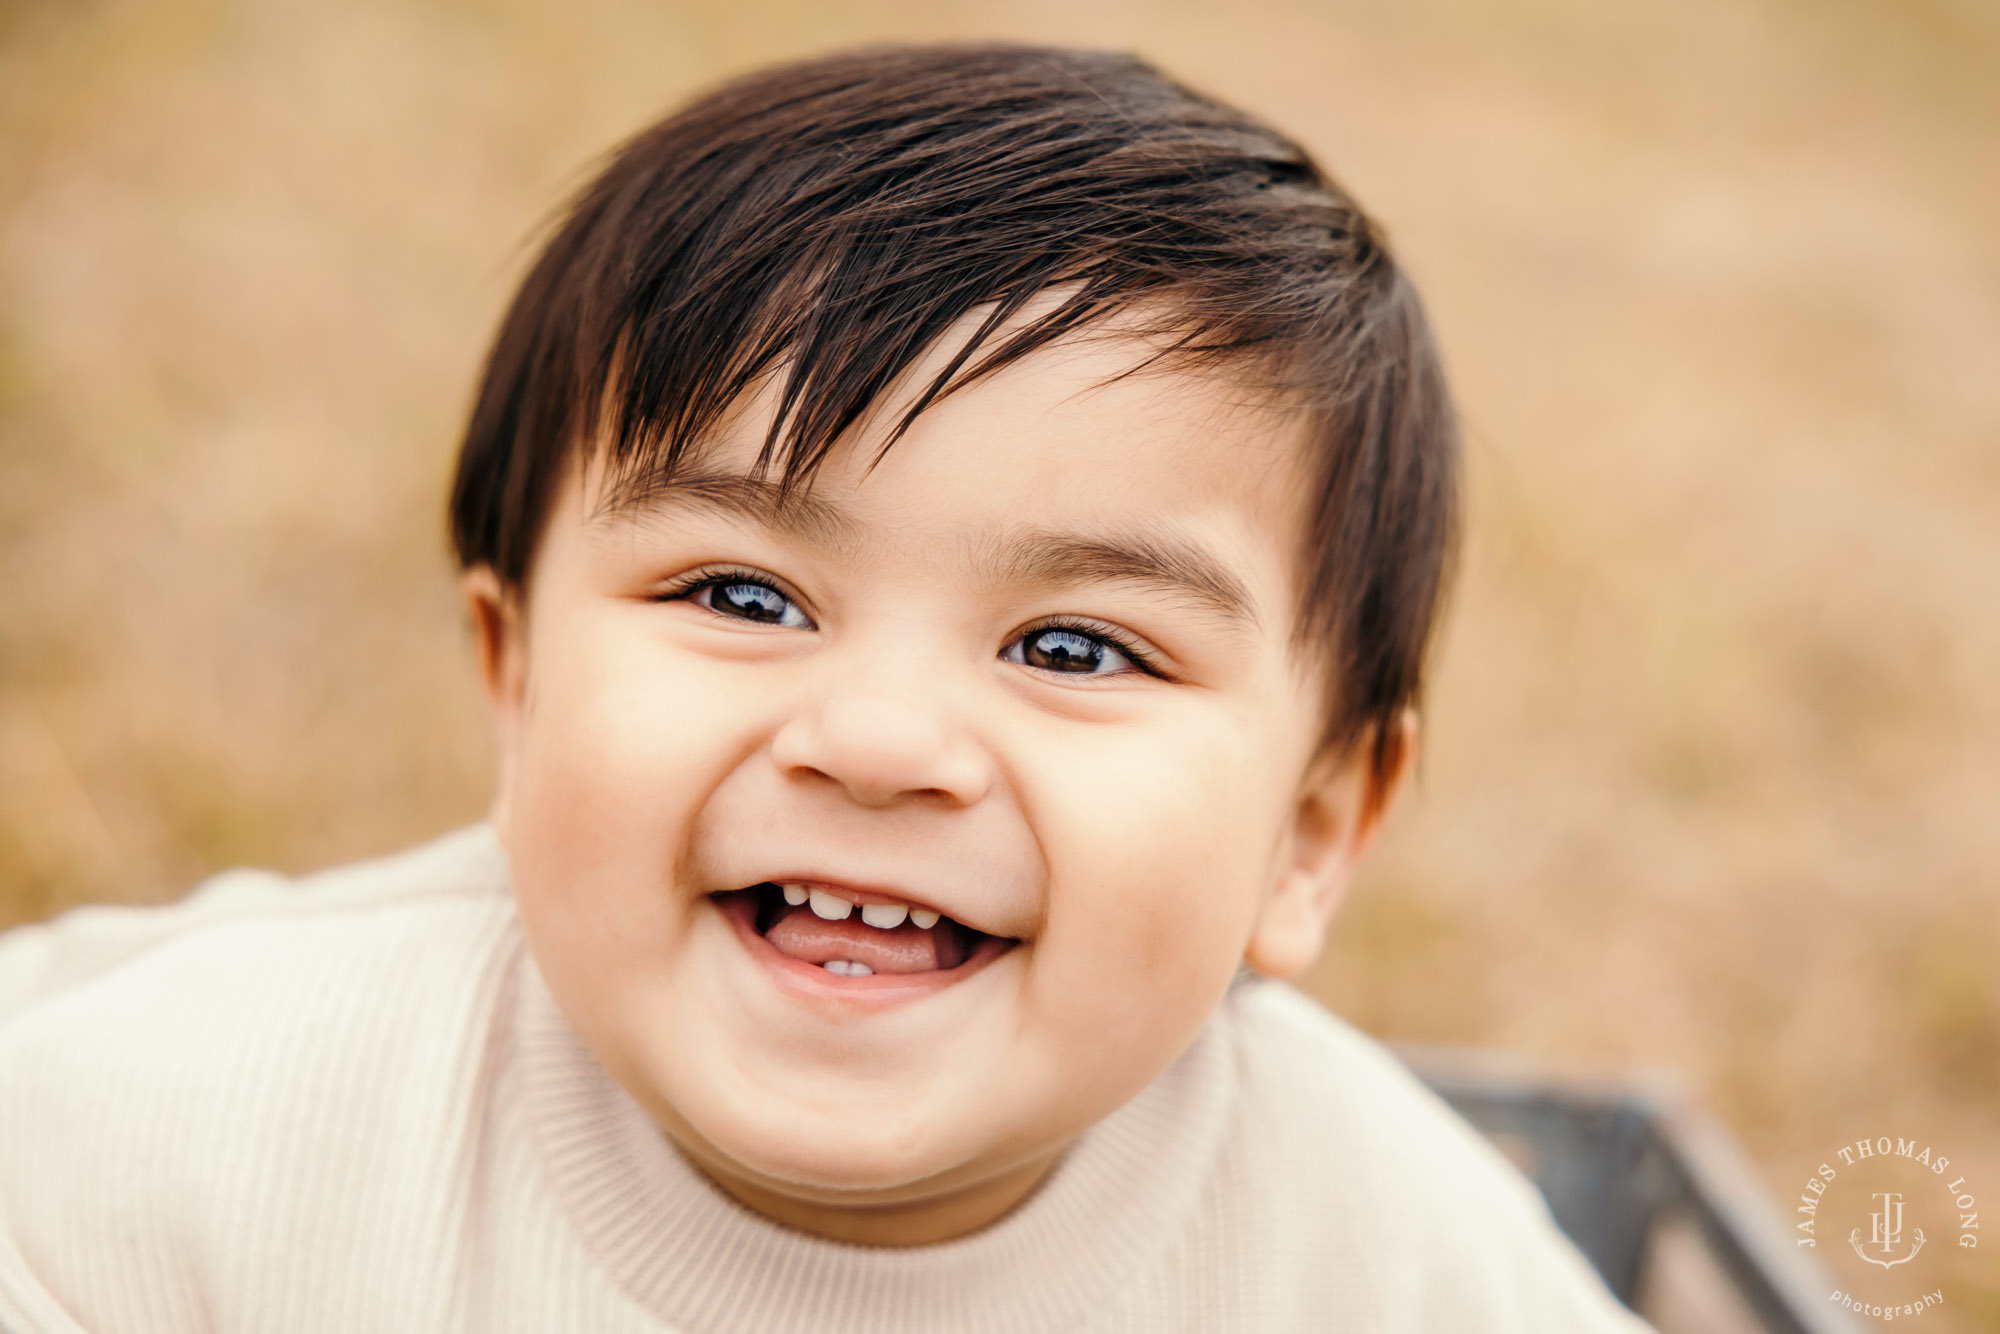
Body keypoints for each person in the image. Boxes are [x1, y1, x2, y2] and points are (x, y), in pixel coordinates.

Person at [0, 42, 1657, 1333]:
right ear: (515, 689)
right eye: (743, 592)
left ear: (1309, 835)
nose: (877, 743)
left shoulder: (1388, 1253)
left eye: (1074, 647)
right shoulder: (158, 1131)